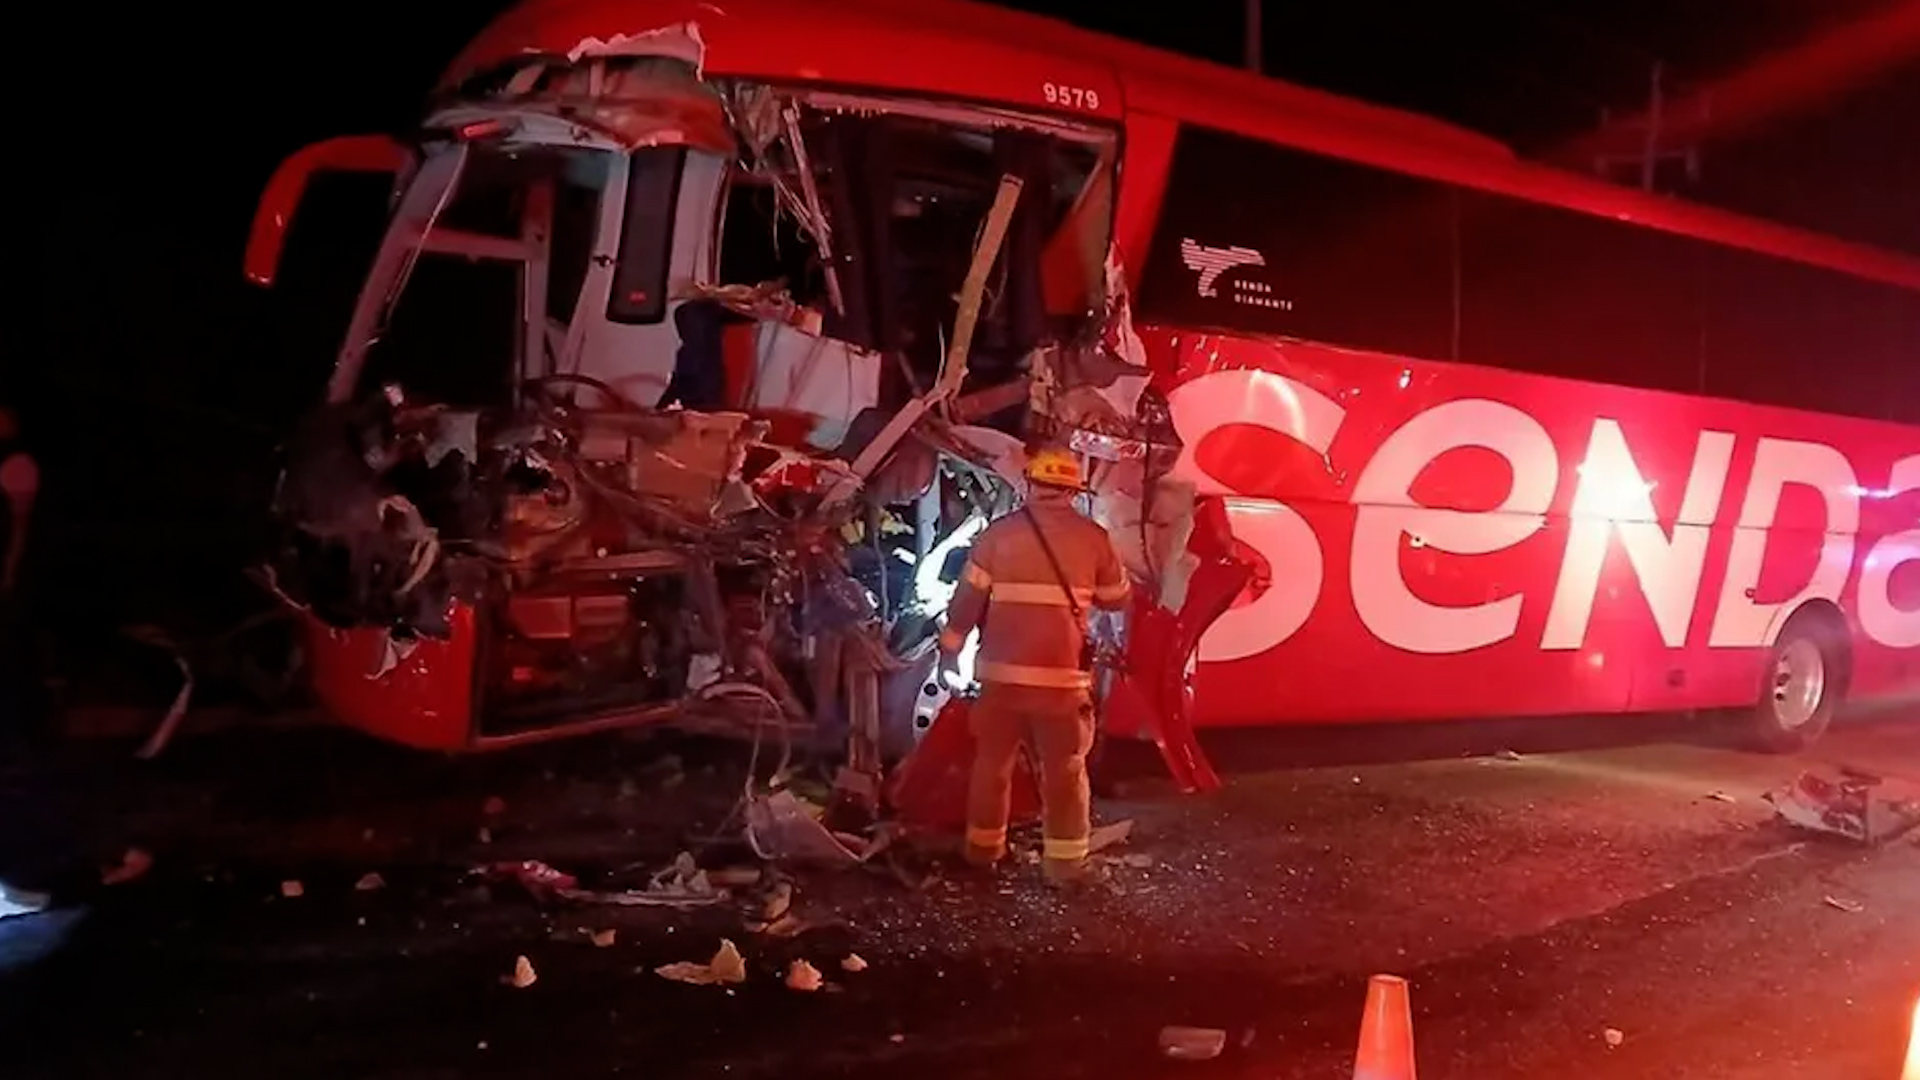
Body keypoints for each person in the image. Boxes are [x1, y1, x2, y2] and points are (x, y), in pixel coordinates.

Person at [937, 446, 1130, 886]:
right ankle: (1064, 866)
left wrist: (950, 647)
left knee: (992, 765)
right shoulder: (1094, 539)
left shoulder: (998, 535)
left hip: (1000, 678)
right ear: (1072, 491)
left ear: (1030, 484)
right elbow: (1117, 599)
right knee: (1064, 772)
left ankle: (983, 852)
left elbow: (966, 602)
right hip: (1062, 686)